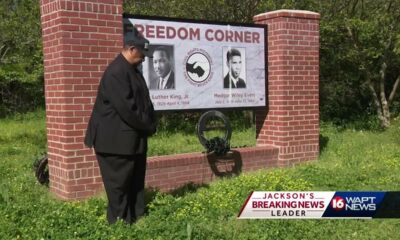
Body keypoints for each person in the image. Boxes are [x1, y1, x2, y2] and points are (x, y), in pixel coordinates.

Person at [84, 27, 156, 224]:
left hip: (130, 140)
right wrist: (149, 126)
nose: (144, 58)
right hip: (114, 142)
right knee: (119, 186)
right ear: (132, 49)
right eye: (142, 54)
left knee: (134, 181)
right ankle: (119, 224)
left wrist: (150, 121)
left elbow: (144, 102)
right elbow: (129, 110)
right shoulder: (117, 72)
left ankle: (136, 217)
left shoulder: (131, 70)